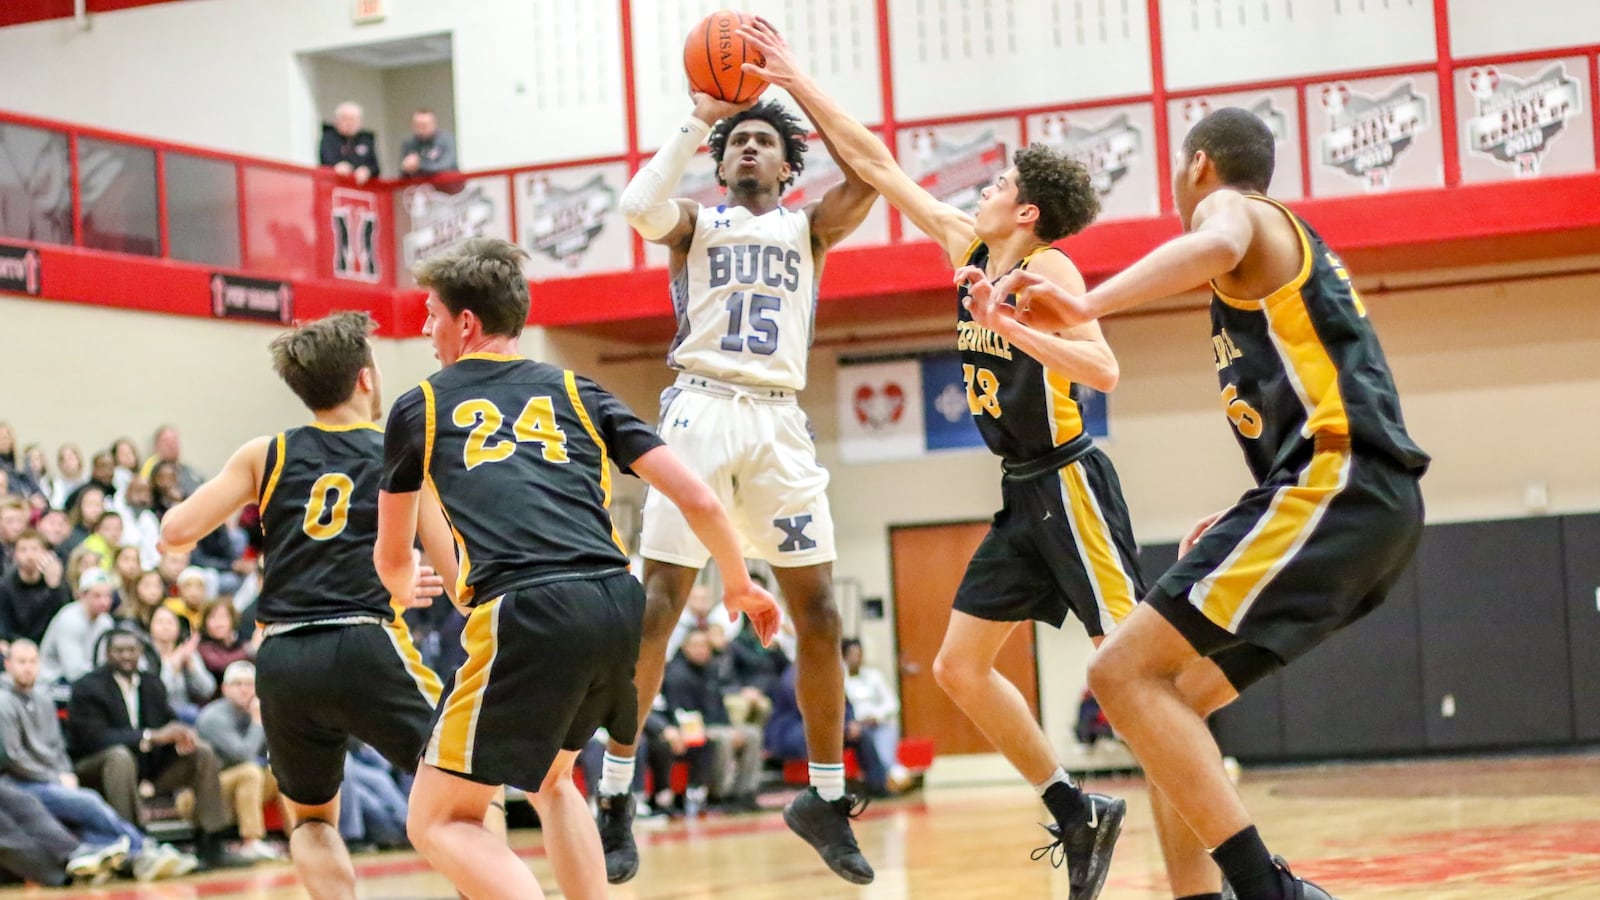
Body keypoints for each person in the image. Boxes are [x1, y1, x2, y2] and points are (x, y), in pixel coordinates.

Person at [970, 107, 1430, 900]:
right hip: (1347, 502)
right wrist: (1248, 510)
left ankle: (1266, 890)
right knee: (1166, 700)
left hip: (1341, 483)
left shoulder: (1239, 212)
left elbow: (1215, 243)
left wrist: (1085, 306)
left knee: (1118, 672)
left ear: (1198, 166)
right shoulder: (1273, 274)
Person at [740, 20, 1139, 898]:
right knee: (960, 667)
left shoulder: (1054, 272)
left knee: (1133, 676)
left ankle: (1217, 845)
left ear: (1027, 211)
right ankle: (1074, 808)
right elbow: (877, 166)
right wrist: (798, 80)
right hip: (1022, 492)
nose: (986, 187)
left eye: (1001, 183)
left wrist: (1014, 327)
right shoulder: (968, 246)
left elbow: (1104, 368)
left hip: (1072, 480)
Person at [373, 237, 781, 900]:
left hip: (530, 609)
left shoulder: (419, 405)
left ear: (466, 323)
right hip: (618, 603)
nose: (426, 330)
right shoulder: (576, 388)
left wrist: (397, 584)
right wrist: (737, 582)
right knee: (553, 779)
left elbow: (393, 557)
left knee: (440, 818)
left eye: (432, 316)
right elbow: (699, 495)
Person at [601, 39, 880, 884]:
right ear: (720, 164)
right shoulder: (696, 223)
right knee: (657, 606)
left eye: (763, 140)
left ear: (788, 164)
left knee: (824, 612)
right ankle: (615, 791)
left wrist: (801, 94)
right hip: (702, 407)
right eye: (736, 142)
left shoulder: (810, 227)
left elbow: (868, 173)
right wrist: (698, 119)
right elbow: (637, 205)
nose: (747, 147)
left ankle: (824, 799)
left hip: (780, 422)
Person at [159, 310, 449, 900]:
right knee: (471, 787)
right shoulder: (401, 450)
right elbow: (458, 564)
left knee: (313, 821)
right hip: (364, 638)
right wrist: (402, 575)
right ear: (366, 379)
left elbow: (174, 530)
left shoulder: (265, 454)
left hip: (284, 655)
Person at [0, 639, 195, 882]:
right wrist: (54, 778)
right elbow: (13, 757)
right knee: (89, 803)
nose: (27, 668)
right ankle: (144, 849)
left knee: (84, 817)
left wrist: (66, 772)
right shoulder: (3, 701)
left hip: (52, 778)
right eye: (21, 662)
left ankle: (131, 858)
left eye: (32, 662)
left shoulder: (43, 697)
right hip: (21, 783)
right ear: (8, 665)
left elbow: (58, 746)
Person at [65, 629, 245, 870]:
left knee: (202, 752)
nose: (126, 656)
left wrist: (182, 736)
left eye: (132, 650)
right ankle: (131, 845)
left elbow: (168, 724)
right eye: (119, 651)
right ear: (107, 654)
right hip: (96, 767)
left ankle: (212, 843)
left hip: (148, 767)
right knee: (119, 756)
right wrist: (150, 736)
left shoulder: (152, 683)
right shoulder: (88, 687)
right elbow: (92, 738)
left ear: (140, 652)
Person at [195, 661, 281, 861]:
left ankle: (297, 836)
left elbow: (276, 750)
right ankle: (251, 842)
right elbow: (243, 755)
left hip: (236, 791)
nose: (244, 690)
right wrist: (258, 721)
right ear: (225, 689)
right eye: (237, 684)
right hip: (203, 795)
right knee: (249, 772)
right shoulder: (212, 717)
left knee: (284, 771)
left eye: (249, 684)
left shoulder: (258, 710)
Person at [841, 638, 905, 788]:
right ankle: (884, 780)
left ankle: (894, 773)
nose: (858, 658)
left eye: (859, 654)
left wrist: (876, 715)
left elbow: (892, 703)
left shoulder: (874, 676)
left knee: (886, 740)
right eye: (853, 655)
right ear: (844, 656)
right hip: (854, 727)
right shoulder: (839, 679)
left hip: (877, 724)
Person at [38, 569, 117, 684]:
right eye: (97, 596)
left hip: (91, 678)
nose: (104, 602)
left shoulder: (106, 621)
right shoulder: (69, 620)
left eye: (107, 596)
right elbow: (74, 672)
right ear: (83, 595)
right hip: (55, 681)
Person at [0, 529, 69, 653]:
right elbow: (5, 626)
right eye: (23, 550)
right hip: (16, 646)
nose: (29, 555)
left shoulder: (56, 584)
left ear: (46, 553)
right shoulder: (5, 586)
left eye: (35, 549)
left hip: (50, 646)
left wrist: (55, 589)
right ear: (15, 555)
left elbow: (62, 619)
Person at [319, 102, 379, 185]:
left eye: (353, 119)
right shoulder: (328, 138)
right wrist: (336, 167)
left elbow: (375, 167)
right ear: (336, 121)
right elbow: (326, 161)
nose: (350, 123)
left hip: (363, 190)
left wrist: (367, 170)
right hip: (335, 186)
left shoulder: (366, 140)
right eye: (345, 119)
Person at [398, 108, 457, 178]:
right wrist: (406, 168)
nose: (420, 130)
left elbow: (446, 166)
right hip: (419, 185)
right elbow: (404, 174)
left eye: (424, 125)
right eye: (417, 125)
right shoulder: (409, 143)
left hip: (447, 184)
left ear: (434, 124)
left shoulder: (446, 139)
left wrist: (420, 165)